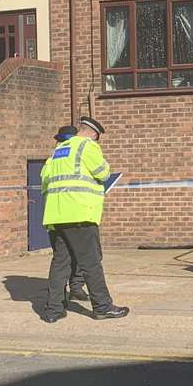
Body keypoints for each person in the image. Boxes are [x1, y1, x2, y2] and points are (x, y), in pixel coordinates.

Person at [40, 116, 128, 323]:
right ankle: (103, 306)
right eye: (97, 138)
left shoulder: (57, 152)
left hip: (56, 215)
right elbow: (103, 173)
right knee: (91, 263)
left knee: (60, 263)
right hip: (80, 213)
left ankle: (54, 310)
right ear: (93, 134)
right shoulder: (87, 146)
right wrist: (104, 162)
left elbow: (45, 180)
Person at [53, 124, 91, 307]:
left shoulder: (54, 157)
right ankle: (70, 293)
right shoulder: (59, 157)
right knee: (87, 257)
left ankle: (66, 296)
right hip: (76, 214)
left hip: (57, 216)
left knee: (63, 259)